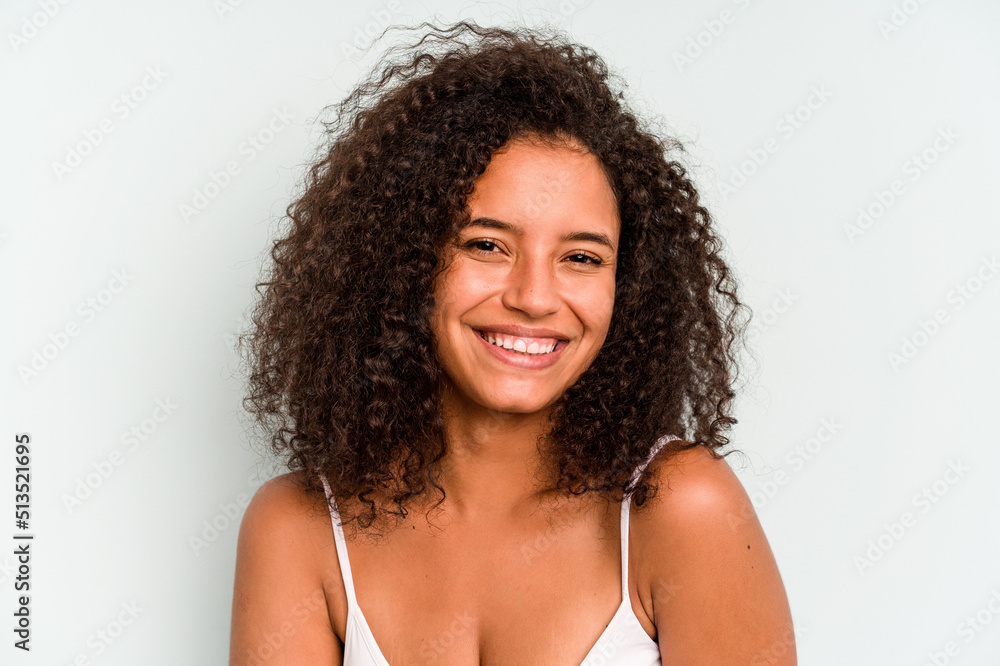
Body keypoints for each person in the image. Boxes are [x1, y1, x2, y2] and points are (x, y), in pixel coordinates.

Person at [229, 20, 796, 666]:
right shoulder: (298, 531)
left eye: (581, 257)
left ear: (626, 287)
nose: (533, 297)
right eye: (487, 245)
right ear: (405, 261)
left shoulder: (678, 511)